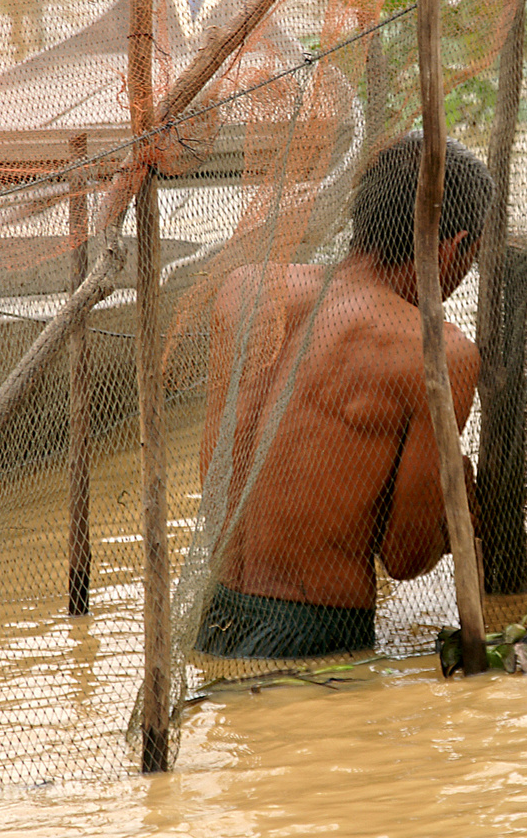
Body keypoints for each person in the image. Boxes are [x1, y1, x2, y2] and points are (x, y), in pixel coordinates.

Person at [195, 131, 494, 659]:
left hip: (211, 613)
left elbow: (223, 476)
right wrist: (457, 516)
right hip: (314, 631)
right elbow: (404, 558)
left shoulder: (245, 290)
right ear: (453, 247)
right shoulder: (439, 354)